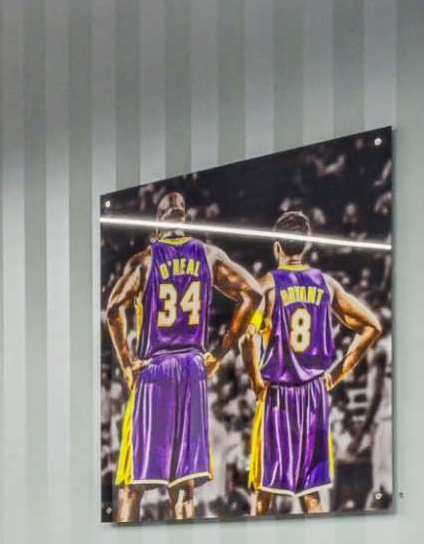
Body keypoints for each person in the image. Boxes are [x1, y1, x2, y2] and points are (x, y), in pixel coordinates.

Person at [105, 196, 256, 524]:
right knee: (183, 489)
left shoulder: (146, 260)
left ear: (158, 223)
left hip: (155, 369)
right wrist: (217, 353)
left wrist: (128, 361)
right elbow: (253, 294)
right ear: (184, 219)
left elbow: (114, 307)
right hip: (192, 369)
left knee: (131, 484)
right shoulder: (209, 255)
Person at [239, 255, 387, 515]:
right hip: (313, 394)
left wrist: (256, 381)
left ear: (276, 248)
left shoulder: (268, 285)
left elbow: (247, 340)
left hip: (279, 394)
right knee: (311, 493)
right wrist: (337, 374)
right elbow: (371, 326)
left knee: (264, 490)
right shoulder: (325, 283)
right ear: (305, 247)